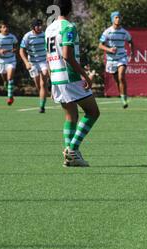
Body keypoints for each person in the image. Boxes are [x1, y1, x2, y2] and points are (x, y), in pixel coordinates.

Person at [46, 0, 100, 167]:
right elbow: (67, 55)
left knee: (71, 116)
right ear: (70, 9)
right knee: (92, 112)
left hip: (56, 77)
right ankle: (72, 149)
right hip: (70, 77)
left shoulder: (49, 29)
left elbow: (48, 57)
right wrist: (85, 75)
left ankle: (70, 158)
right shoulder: (68, 27)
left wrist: (51, 78)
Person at [99, 11, 133, 109]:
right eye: (116, 17)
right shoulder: (107, 32)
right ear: (112, 19)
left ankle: (124, 99)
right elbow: (100, 45)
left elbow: (130, 41)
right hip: (111, 60)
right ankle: (122, 96)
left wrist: (132, 51)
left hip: (122, 57)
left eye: (119, 17)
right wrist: (109, 49)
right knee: (117, 81)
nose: (118, 19)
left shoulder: (124, 32)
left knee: (121, 76)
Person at [19, 19, 49, 113]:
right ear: (33, 27)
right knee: (38, 85)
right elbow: (21, 51)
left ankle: (42, 107)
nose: (40, 27)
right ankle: (43, 95)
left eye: (41, 25)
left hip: (44, 61)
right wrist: (26, 62)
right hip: (33, 62)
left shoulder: (45, 35)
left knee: (43, 83)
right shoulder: (27, 36)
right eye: (38, 25)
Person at [0, 21, 18, 106]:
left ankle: (10, 97)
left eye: (7, 27)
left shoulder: (12, 37)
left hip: (11, 60)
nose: (6, 29)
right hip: (1, 61)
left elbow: (16, 46)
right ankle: (6, 84)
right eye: (4, 27)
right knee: (5, 79)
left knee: (10, 78)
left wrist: (14, 50)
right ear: (0, 29)